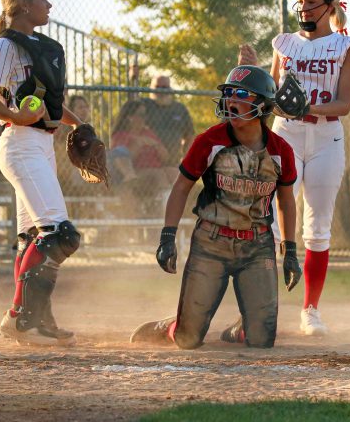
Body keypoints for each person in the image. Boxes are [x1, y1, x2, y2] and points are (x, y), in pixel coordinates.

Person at [129, 65, 301, 349]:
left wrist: (291, 251)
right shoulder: (210, 141)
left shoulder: (281, 150)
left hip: (256, 246)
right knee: (188, 339)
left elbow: (285, 201)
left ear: (263, 105)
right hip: (211, 244)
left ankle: (240, 328)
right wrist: (167, 237)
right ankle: (171, 325)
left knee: (261, 340)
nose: (232, 100)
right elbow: (181, 187)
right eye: (229, 93)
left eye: (241, 94)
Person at [235, 0, 350, 336]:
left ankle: (310, 310)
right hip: (285, 134)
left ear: (330, 3)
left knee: (317, 226)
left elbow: (345, 103)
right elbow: (271, 91)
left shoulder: (346, 46)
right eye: (301, 0)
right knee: (269, 222)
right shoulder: (284, 42)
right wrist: (251, 70)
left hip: (325, 135)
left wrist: (306, 105)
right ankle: (260, 309)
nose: (304, 6)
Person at [0, 0, 88, 347]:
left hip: (41, 145)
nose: (49, 4)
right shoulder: (6, 45)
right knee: (61, 234)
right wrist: (18, 116)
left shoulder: (39, 46)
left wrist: (80, 124)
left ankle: (37, 318)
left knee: (33, 240)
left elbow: (51, 104)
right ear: (23, 4)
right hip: (20, 144)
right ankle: (20, 319)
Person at [143, 75, 194, 166]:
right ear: (151, 89)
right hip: (148, 161)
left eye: (164, 87)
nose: (161, 90)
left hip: (173, 161)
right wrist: (133, 78)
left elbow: (189, 136)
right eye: (157, 87)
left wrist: (186, 158)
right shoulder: (145, 105)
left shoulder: (179, 109)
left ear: (170, 88)